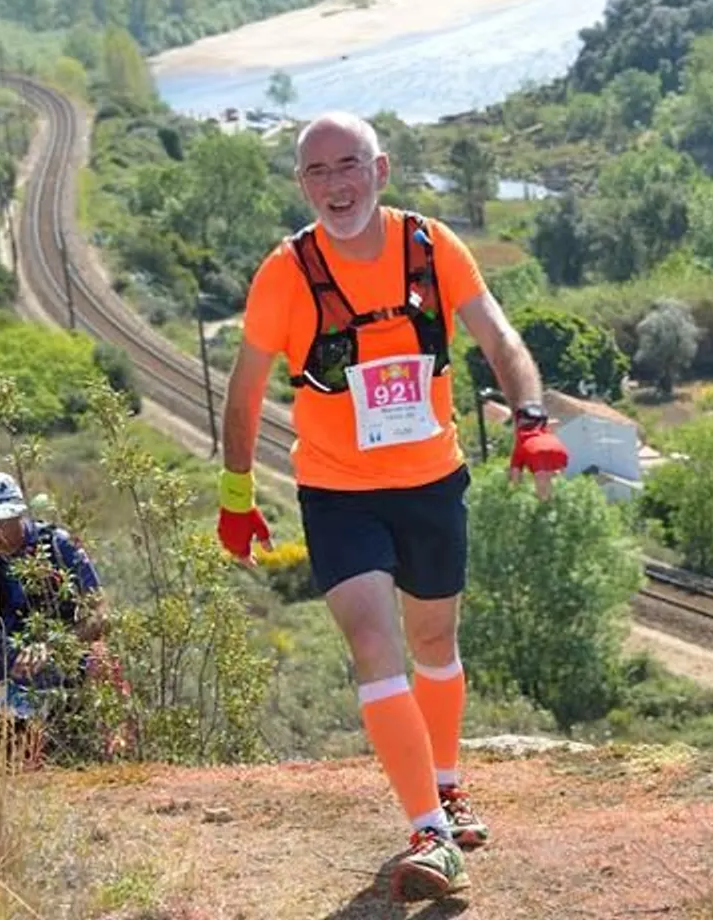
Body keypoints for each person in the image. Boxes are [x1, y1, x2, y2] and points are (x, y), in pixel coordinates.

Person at [218, 111, 568, 902]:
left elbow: (499, 336)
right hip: (339, 492)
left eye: (349, 166)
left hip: (430, 480)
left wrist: (532, 419)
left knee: (434, 641)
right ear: (302, 184)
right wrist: (236, 494)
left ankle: (447, 783)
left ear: (381, 169)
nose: (335, 186)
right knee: (375, 642)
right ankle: (429, 833)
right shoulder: (285, 273)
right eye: (317, 173)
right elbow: (243, 397)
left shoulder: (433, 247)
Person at [0, 470, 117, 761]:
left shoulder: (58, 547)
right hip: (5, 682)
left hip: (64, 679)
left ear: (17, 515)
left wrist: (54, 645)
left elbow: (102, 613)